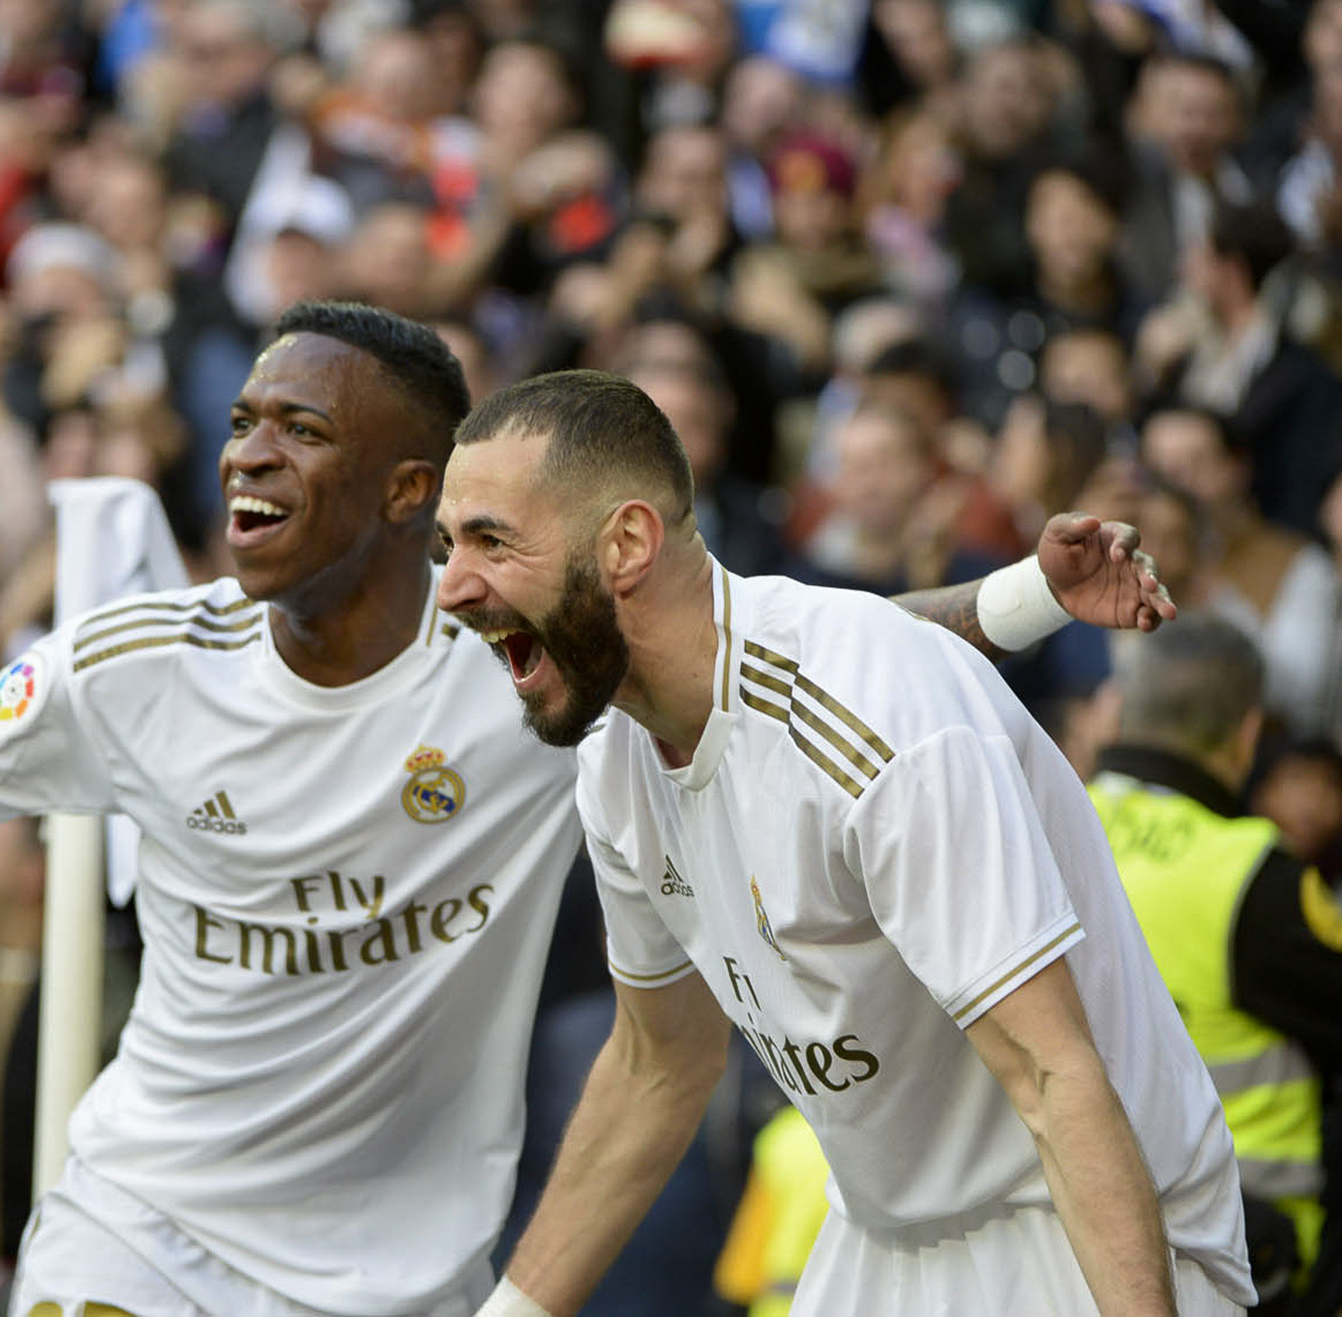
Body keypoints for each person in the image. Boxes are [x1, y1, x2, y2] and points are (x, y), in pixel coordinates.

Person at [0, 305, 1171, 1317]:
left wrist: (1017, 601)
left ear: (415, 493)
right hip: (146, 1217)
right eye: (243, 421)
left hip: (402, 1272)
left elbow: (769, 639)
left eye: (301, 432)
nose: (247, 455)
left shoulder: (521, 665)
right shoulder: (136, 660)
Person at [432, 370, 1249, 1315]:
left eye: (491, 539)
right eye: (449, 544)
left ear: (626, 543)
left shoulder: (872, 718)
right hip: (881, 1237)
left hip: (1076, 1232)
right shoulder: (617, 756)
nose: (451, 587)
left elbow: (1052, 1075)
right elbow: (660, 1062)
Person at [1089, 617, 1342, 1312]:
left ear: (1122, 706)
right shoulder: (1252, 876)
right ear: (1248, 733)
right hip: (1242, 1256)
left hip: (1069, 1243)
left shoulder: (1041, 828)